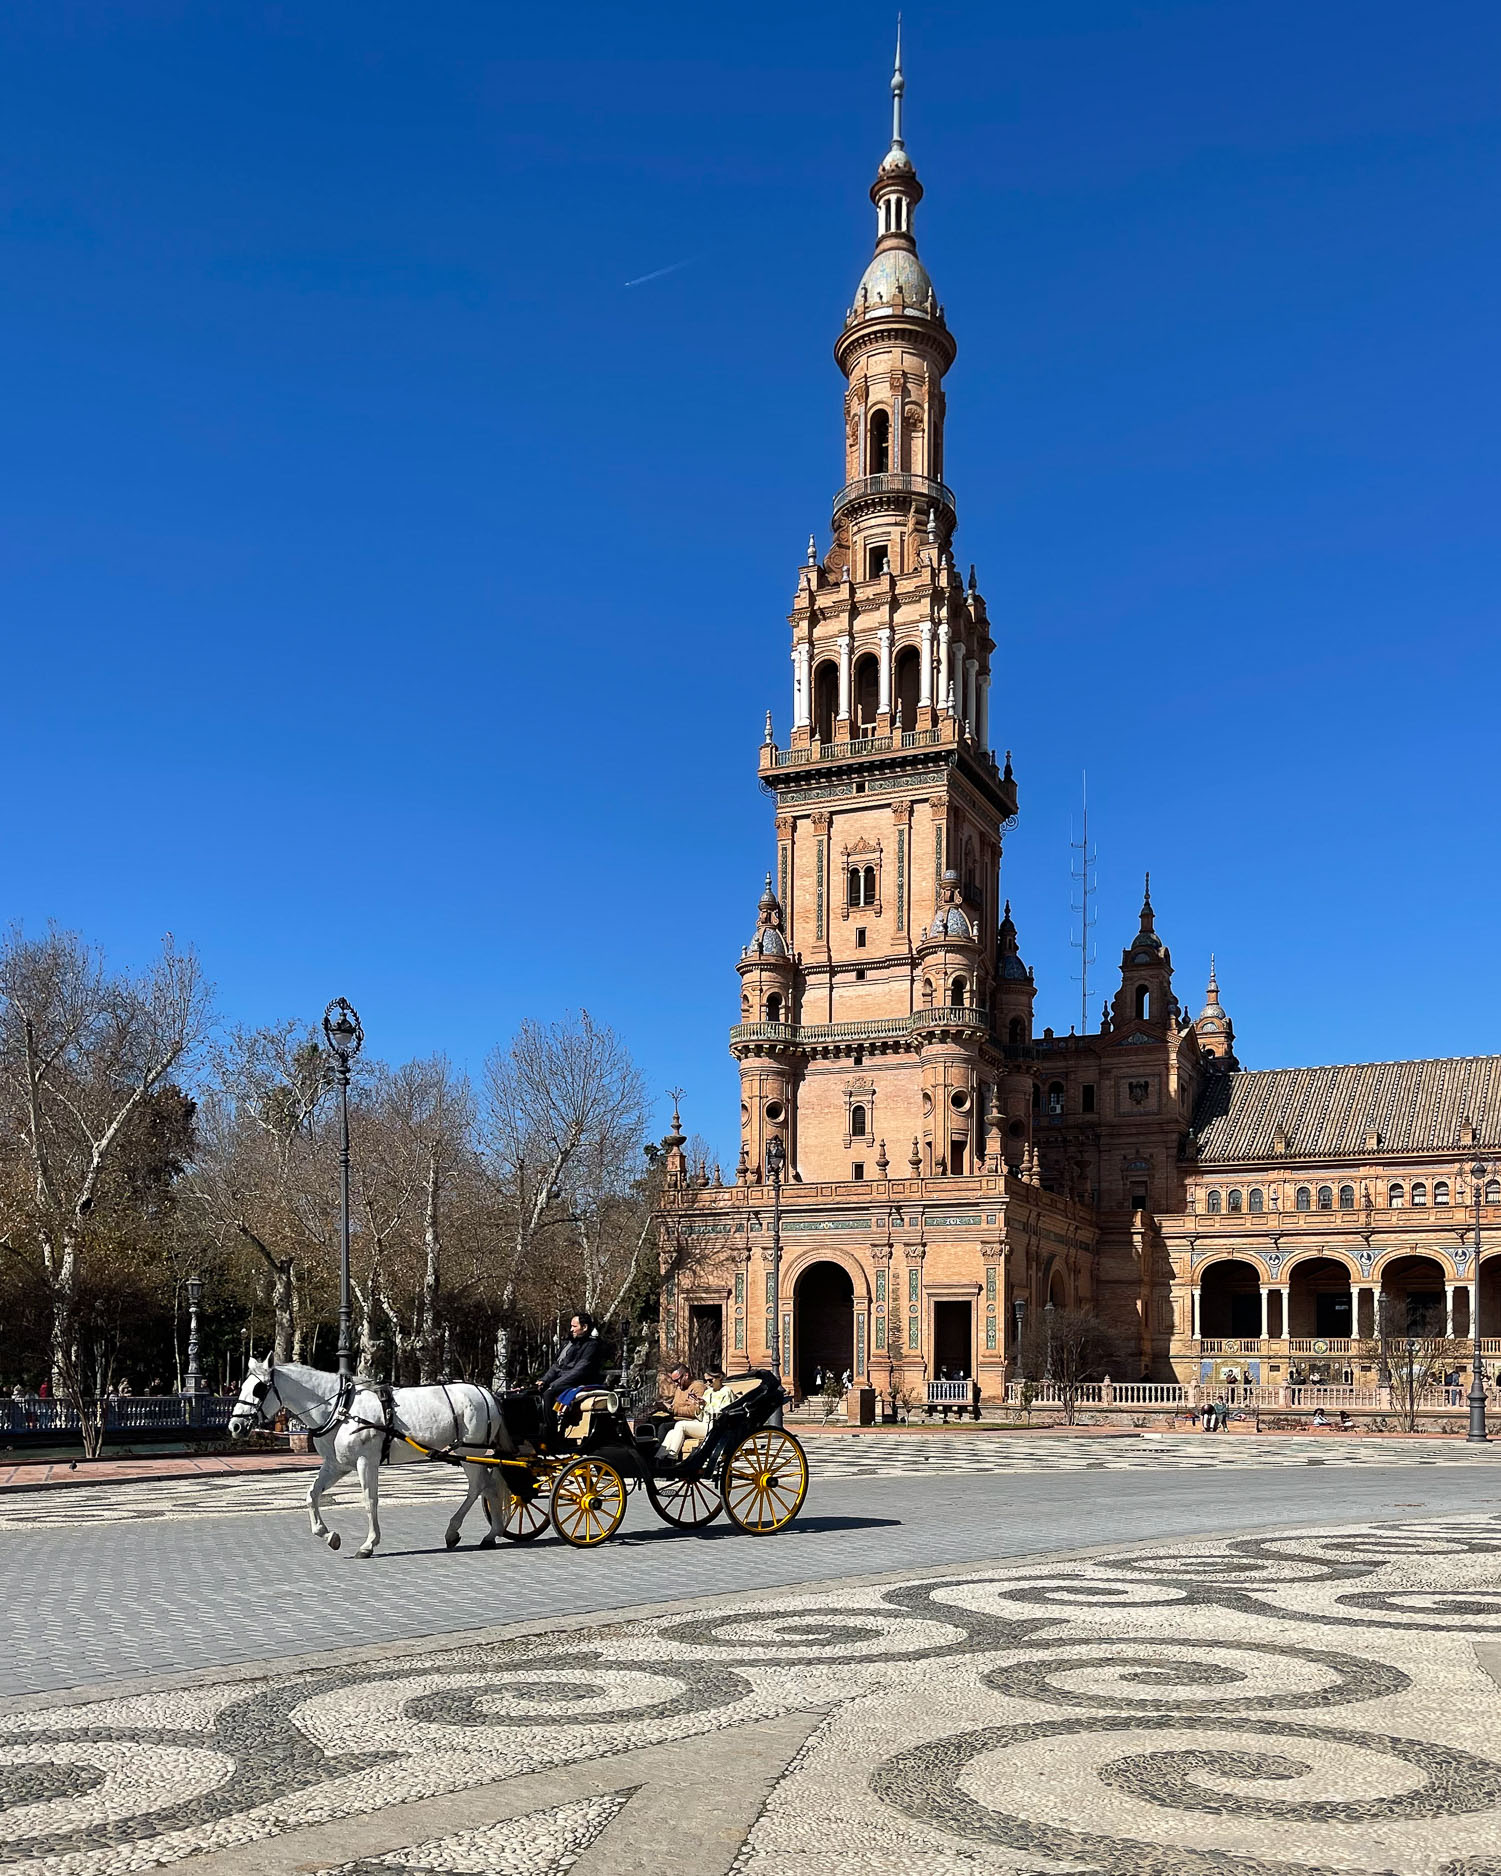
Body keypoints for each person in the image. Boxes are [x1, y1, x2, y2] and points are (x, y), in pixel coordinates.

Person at [659, 1364, 736, 1463]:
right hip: (703, 1423)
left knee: (680, 1425)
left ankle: (671, 1457)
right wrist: (698, 1406)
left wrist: (705, 1406)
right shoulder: (708, 1392)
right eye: (706, 1381)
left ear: (719, 1377)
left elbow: (723, 1414)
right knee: (671, 1432)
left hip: (715, 1427)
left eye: (710, 1380)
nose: (708, 1383)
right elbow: (701, 1415)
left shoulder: (726, 1392)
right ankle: (659, 1458)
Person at [537, 1312, 605, 1412]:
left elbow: (579, 1370)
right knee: (532, 1392)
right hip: (561, 1380)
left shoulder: (592, 1345)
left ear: (585, 1327)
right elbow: (557, 1366)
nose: (571, 1329)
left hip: (578, 1382)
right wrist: (544, 1380)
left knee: (548, 1394)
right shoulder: (568, 1344)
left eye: (574, 1326)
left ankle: (550, 1427)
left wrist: (555, 1384)